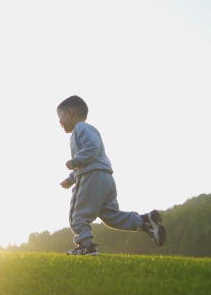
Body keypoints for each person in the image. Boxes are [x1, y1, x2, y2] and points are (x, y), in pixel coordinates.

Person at [57, 95, 166, 255]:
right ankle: (144, 221)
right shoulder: (85, 131)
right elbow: (90, 159)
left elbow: (91, 149)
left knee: (77, 214)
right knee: (111, 216)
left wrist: (75, 161)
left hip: (92, 177)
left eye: (60, 118)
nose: (59, 123)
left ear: (70, 112)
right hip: (104, 178)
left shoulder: (81, 129)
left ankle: (86, 246)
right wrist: (72, 178)